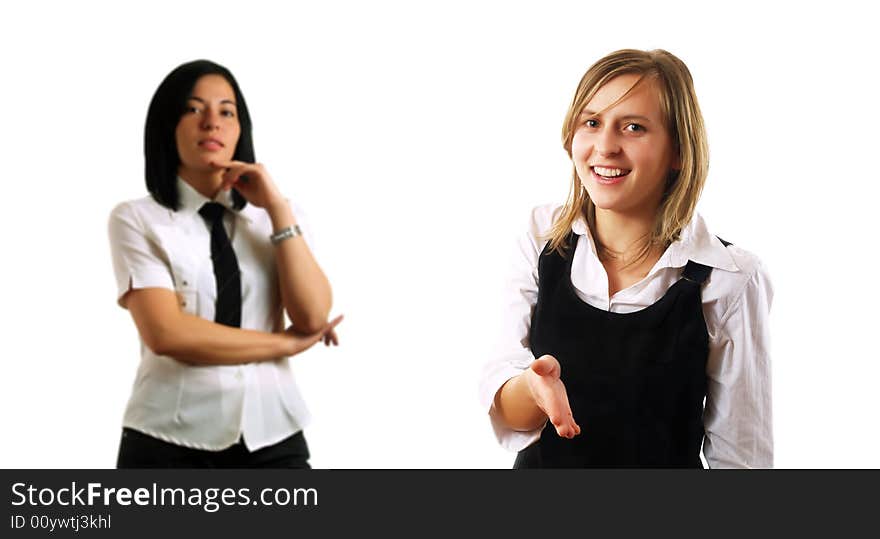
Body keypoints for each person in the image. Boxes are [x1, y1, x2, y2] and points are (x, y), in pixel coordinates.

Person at [479, 49, 773, 468]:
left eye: (633, 127)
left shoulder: (729, 278)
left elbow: (743, 458)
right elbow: (506, 406)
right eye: (592, 122)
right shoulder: (541, 237)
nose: (606, 146)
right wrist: (533, 387)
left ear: (678, 150)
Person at [108, 59, 341, 468]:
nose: (211, 122)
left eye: (226, 111)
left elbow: (312, 315)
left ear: (240, 129)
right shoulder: (138, 219)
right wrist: (284, 345)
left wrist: (278, 209)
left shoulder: (278, 217)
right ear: (168, 125)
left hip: (273, 434)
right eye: (194, 109)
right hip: (168, 440)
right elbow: (168, 333)